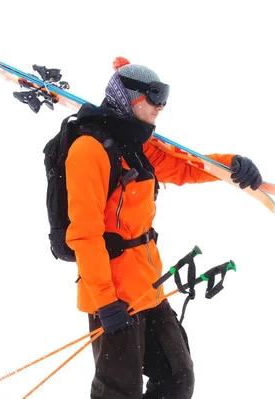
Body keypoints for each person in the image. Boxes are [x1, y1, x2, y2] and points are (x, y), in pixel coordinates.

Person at [64, 57, 263, 399]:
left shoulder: (138, 147)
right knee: (119, 392)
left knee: (177, 376)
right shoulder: (88, 150)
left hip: (148, 284)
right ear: (129, 98)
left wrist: (231, 166)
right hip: (112, 295)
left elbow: (184, 168)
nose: (161, 106)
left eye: (164, 97)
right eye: (154, 97)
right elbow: (85, 234)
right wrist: (105, 302)